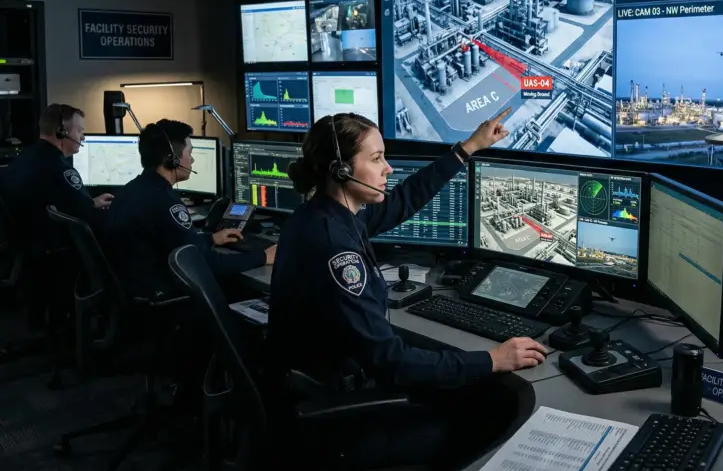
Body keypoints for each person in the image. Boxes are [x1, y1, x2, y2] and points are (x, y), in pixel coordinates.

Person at [267, 110, 547, 469]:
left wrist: (469, 147)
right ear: (341, 170)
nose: (388, 168)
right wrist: (492, 359)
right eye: (376, 158)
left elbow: (404, 200)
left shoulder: (324, 215)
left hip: (321, 385)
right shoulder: (336, 250)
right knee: (484, 415)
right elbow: (392, 362)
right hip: (337, 417)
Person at [107, 119, 276, 300]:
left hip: (136, 294)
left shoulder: (130, 190)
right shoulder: (166, 203)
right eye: (190, 152)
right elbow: (205, 264)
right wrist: (262, 256)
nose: (193, 159)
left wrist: (210, 238)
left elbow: (173, 241)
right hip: (165, 301)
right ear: (172, 159)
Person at [0, 103, 113, 252]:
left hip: (27, 246)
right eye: (79, 131)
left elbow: (65, 203)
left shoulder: (24, 157)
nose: (83, 137)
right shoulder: (60, 169)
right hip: (55, 251)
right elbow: (86, 217)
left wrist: (91, 202)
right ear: (61, 132)